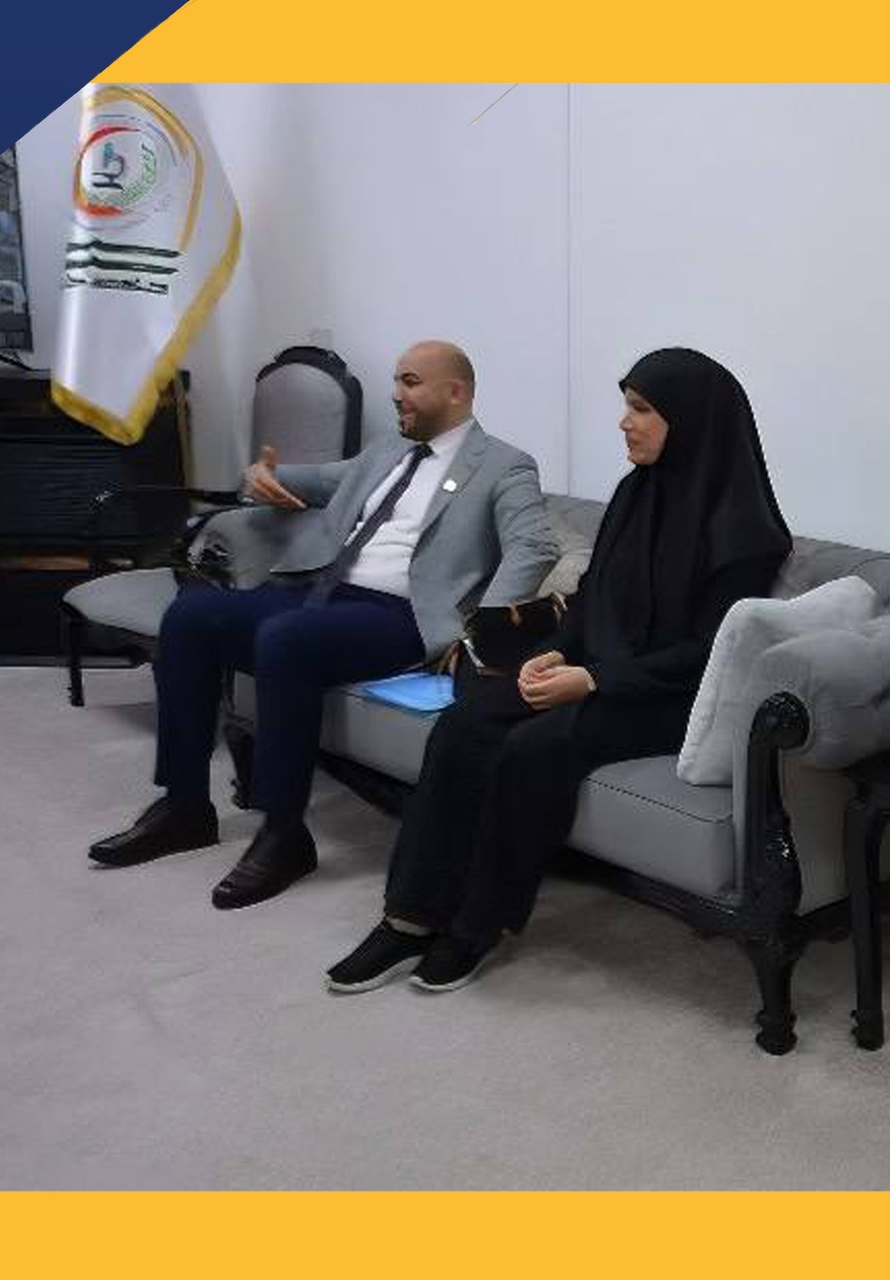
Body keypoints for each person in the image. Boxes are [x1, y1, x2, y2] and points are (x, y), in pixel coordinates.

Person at [323, 347, 793, 994]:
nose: (624, 422)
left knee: (534, 747)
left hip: (672, 699)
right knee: (465, 724)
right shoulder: (634, 494)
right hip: (601, 672)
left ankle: (478, 925)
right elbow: (595, 596)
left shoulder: (746, 533)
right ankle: (409, 917)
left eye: (642, 410)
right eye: (626, 406)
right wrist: (556, 653)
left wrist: (595, 681)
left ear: (690, 420)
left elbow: (708, 651)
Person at [88, 341, 559, 910]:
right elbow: (308, 480)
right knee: (190, 616)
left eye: (410, 382)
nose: (395, 394)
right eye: (396, 381)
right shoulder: (386, 452)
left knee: (286, 641)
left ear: (455, 392)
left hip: (399, 616)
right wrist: (259, 476)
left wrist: (487, 629)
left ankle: (284, 832)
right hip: (319, 593)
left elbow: (534, 545)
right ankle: (185, 806)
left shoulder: (505, 465)